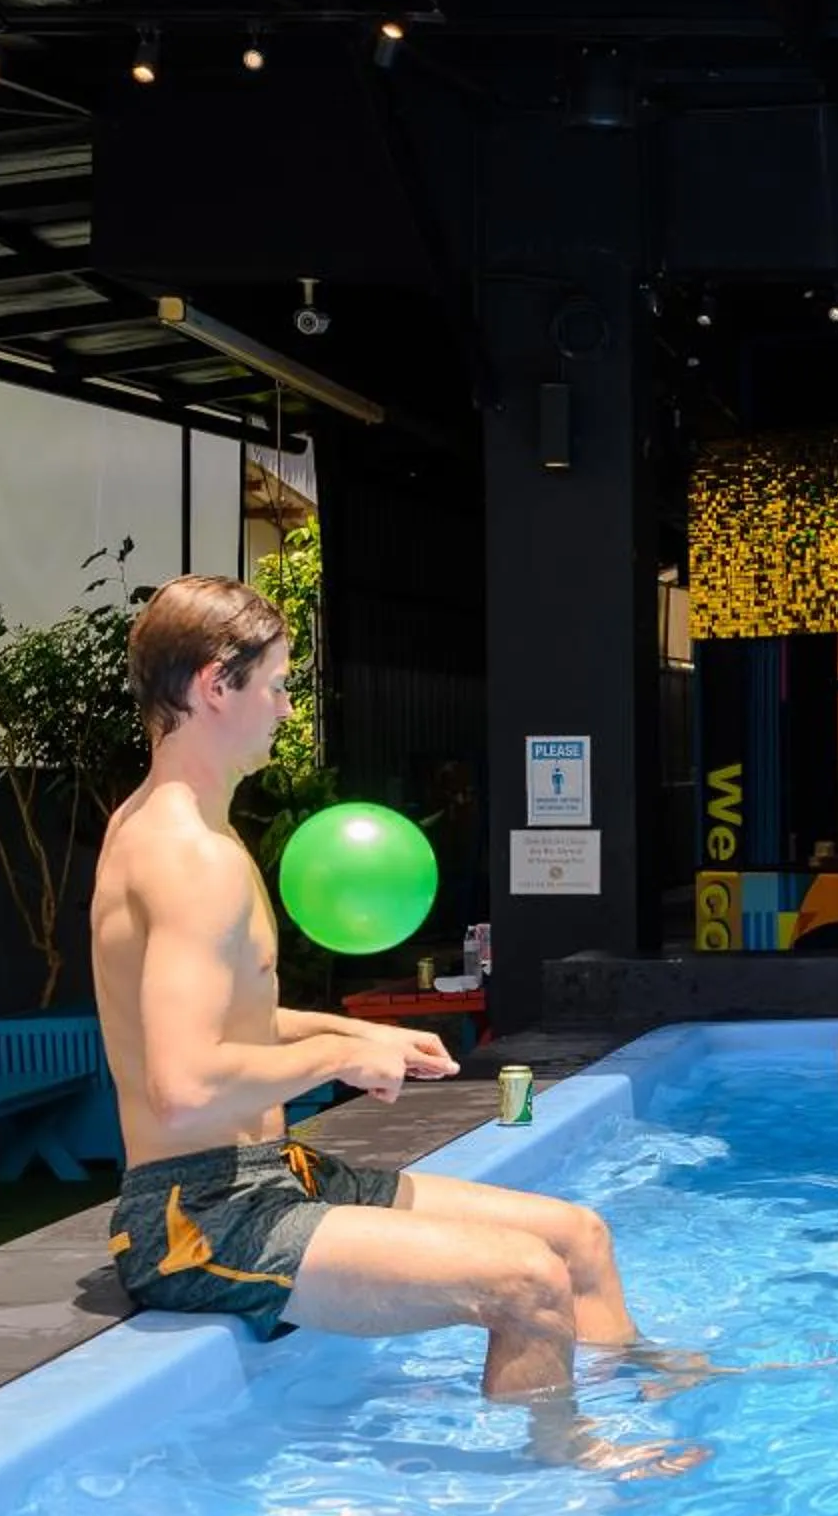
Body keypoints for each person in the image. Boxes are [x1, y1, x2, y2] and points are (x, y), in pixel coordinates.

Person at [90, 577, 694, 1468]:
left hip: (268, 1174)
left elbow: (228, 1018)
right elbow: (181, 1091)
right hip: (199, 1213)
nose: (287, 710)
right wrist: (339, 1048)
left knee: (575, 1236)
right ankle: (562, 1473)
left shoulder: (180, 830)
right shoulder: (186, 853)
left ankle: (634, 1386)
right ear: (217, 685)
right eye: (278, 686)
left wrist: (348, 1032)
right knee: (525, 1283)